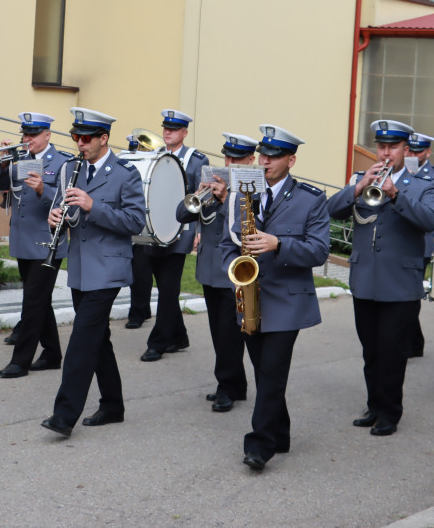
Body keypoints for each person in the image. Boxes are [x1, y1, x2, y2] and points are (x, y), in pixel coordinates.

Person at [218, 124, 329, 472]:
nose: (264, 161)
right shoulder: (243, 192)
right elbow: (226, 244)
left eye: (274, 156)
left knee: (272, 371)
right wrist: (231, 270)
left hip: (288, 300)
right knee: (264, 370)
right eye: (263, 154)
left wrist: (279, 244)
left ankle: (259, 445)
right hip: (249, 297)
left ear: (291, 160)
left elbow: (320, 250)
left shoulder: (311, 198)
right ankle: (279, 432)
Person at [328, 120, 434, 436]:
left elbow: (430, 220)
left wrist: (396, 195)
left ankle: (390, 412)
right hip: (365, 278)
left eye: (392, 147)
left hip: (400, 283)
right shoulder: (362, 179)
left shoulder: (423, 185)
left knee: (392, 352)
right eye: (381, 146)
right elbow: (329, 210)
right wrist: (359, 187)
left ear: (406, 149)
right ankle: (374, 405)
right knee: (371, 351)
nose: (386, 152)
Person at [41, 108, 146, 438]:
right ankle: (113, 405)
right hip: (81, 267)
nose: (80, 143)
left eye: (86, 138)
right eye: (76, 137)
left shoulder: (124, 173)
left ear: (104, 138)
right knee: (99, 339)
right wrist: (56, 216)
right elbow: (62, 206)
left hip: (109, 267)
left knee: (82, 340)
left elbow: (135, 222)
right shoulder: (71, 167)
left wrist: (92, 206)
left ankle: (64, 415)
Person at [174, 132, 256, 414]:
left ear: (251, 161)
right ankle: (237, 384)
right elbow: (181, 215)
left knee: (229, 334)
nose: (230, 163)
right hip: (209, 271)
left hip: (234, 273)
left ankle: (227, 387)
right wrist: (197, 195)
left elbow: (243, 228)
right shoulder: (210, 185)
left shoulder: (252, 190)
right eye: (227, 157)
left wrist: (225, 201)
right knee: (218, 333)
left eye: (237, 158)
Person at [0, 112, 72, 378]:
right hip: (23, 239)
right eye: (25, 135)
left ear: (47, 135)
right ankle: (52, 354)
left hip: (47, 241)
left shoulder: (61, 163)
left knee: (33, 300)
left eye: (34, 135)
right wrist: (3, 163)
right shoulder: (20, 158)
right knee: (39, 299)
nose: (28, 140)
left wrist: (42, 190)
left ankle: (20, 361)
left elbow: (67, 203)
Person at [132, 110, 209, 364]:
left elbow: (203, 200)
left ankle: (158, 343)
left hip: (181, 234)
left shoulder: (197, 160)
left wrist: (199, 232)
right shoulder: (154, 156)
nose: (167, 132)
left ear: (184, 133)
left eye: (174, 129)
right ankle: (179, 336)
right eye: (165, 128)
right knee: (165, 289)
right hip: (153, 232)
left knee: (167, 289)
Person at [405, 132, 434, 358]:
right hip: (398, 240)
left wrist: (411, 179)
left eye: (418, 151)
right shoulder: (397, 170)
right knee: (400, 293)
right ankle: (412, 340)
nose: (413, 155)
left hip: (420, 242)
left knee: (411, 293)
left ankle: (412, 342)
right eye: (410, 150)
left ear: (427, 152)